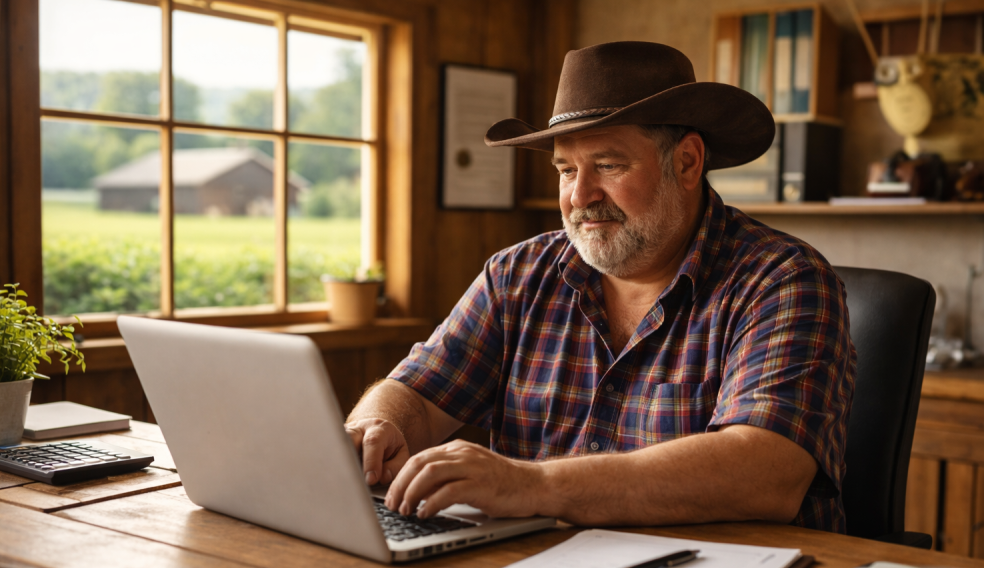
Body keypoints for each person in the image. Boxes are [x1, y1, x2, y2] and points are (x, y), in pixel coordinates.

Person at [346, 41, 856, 533]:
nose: (580, 196)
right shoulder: (518, 276)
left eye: (609, 166)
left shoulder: (782, 280)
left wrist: (536, 484)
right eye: (566, 170)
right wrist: (375, 427)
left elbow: (766, 472)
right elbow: (414, 392)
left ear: (687, 162)